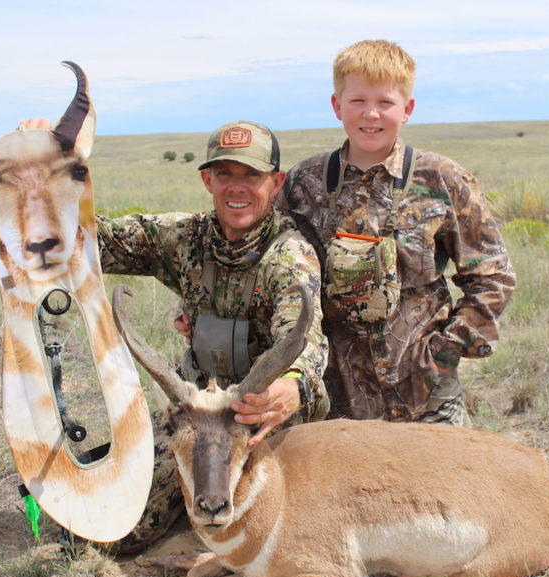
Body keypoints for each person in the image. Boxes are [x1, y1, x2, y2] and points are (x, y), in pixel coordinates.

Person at [21, 118, 330, 553]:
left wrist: (293, 385)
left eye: (251, 176)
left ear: (275, 183)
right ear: (207, 180)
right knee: (114, 520)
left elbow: (303, 337)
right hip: (195, 412)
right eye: (225, 173)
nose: (237, 187)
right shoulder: (185, 237)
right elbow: (84, 243)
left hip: (258, 417)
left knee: (139, 527)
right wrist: (43, 167)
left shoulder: (289, 255)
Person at [278, 39, 515, 426]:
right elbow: (273, 271)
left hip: (425, 399)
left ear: (407, 109)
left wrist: (443, 353)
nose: (371, 114)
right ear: (337, 105)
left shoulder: (442, 178)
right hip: (331, 406)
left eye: (385, 102)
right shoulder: (303, 182)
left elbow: (493, 277)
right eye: (357, 100)